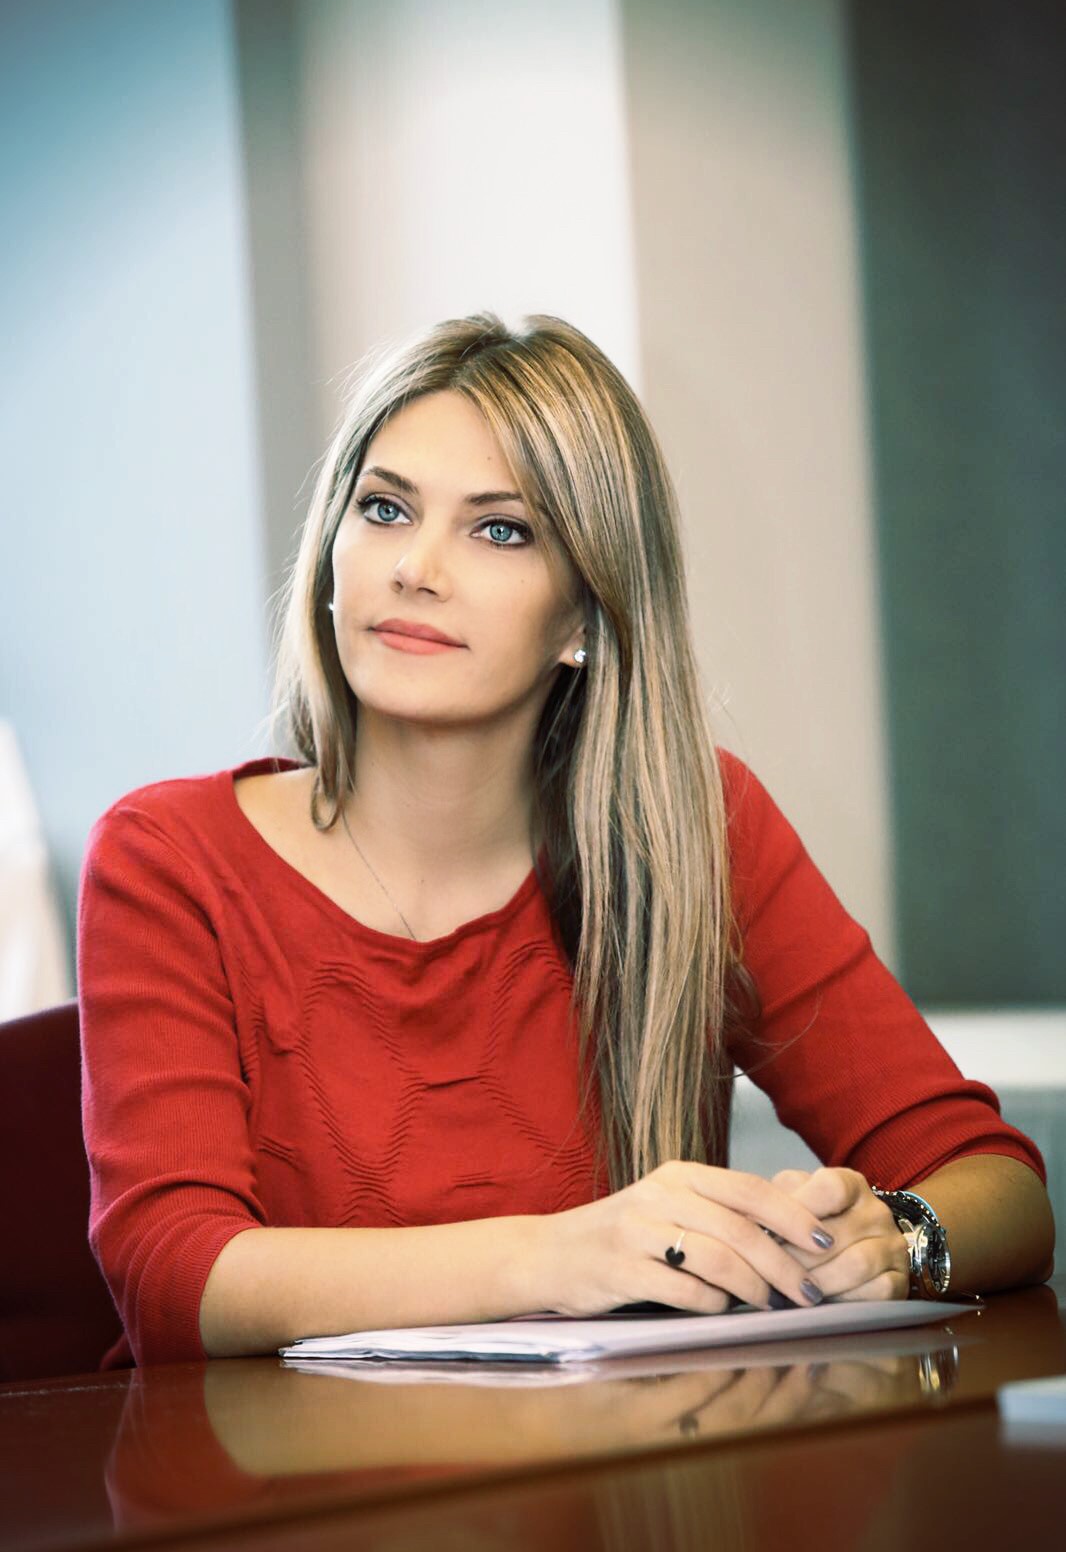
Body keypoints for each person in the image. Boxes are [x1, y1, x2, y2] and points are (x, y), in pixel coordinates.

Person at [78, 312, 1054, 1369]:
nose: (415, 567)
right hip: (263, 1466)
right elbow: (171, 1271)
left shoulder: (694, 831)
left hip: (619, 1461)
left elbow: (1001, 1188)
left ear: (585, 613)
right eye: (385, 508)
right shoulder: (167, 856)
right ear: (330, 549)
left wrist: (897, 1241)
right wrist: (560, 1256)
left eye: (500, 530)